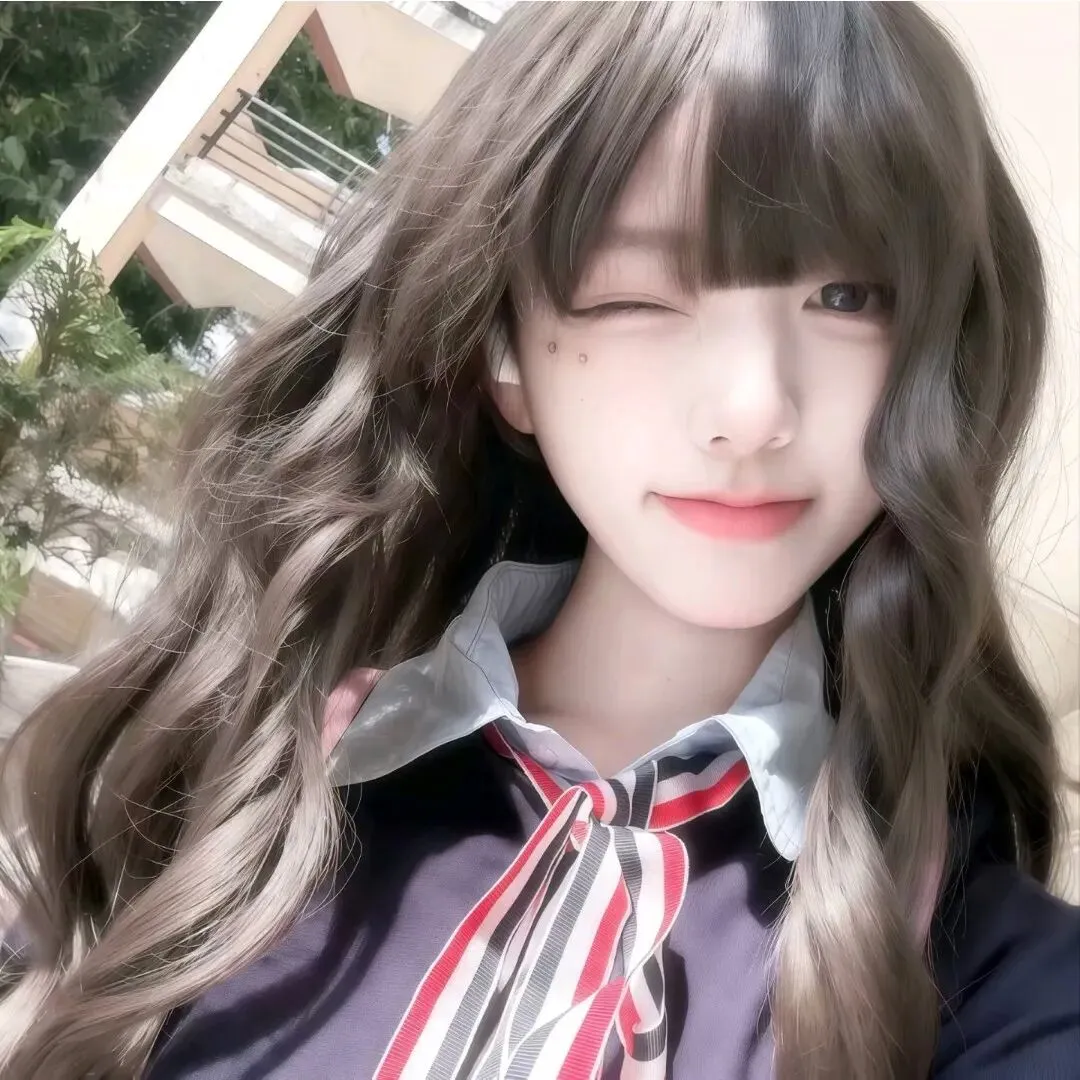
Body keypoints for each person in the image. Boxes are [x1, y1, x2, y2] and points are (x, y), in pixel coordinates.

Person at [1, 3, 1077, 1078]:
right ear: (505, 352)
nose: (754, 410)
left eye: (847, 297)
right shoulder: (235, 783)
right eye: (638, 294)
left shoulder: (987, 978)